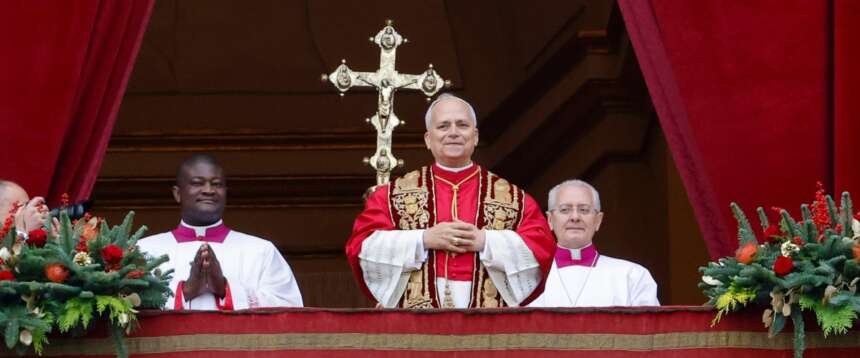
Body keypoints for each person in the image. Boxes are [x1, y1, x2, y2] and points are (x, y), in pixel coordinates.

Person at [346, 93, 556, 308]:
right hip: (417, 323)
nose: (453, 133)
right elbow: (362, 247)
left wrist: (486, 241)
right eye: (443, 126)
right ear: (428, 139)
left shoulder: (515, 199)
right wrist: (423, 239)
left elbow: (542, 248)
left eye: (462, 125)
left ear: (474, 136)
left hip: (489, 324)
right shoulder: (390, 196)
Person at [137, 154, 303, 310]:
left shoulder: (261, 251)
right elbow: (126, 309)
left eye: (216, 184)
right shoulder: (144, 251)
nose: (209, 190)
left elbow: (289, 310)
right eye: (197, 183)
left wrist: (225, 288)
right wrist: (185, 291)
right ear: (178, 193)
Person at [528, 180, 659, 307]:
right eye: (565, 210)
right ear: (550, 220)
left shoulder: (632, 276)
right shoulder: (528, 282)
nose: (575, 217)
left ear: (598, 220)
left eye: (584, 210)